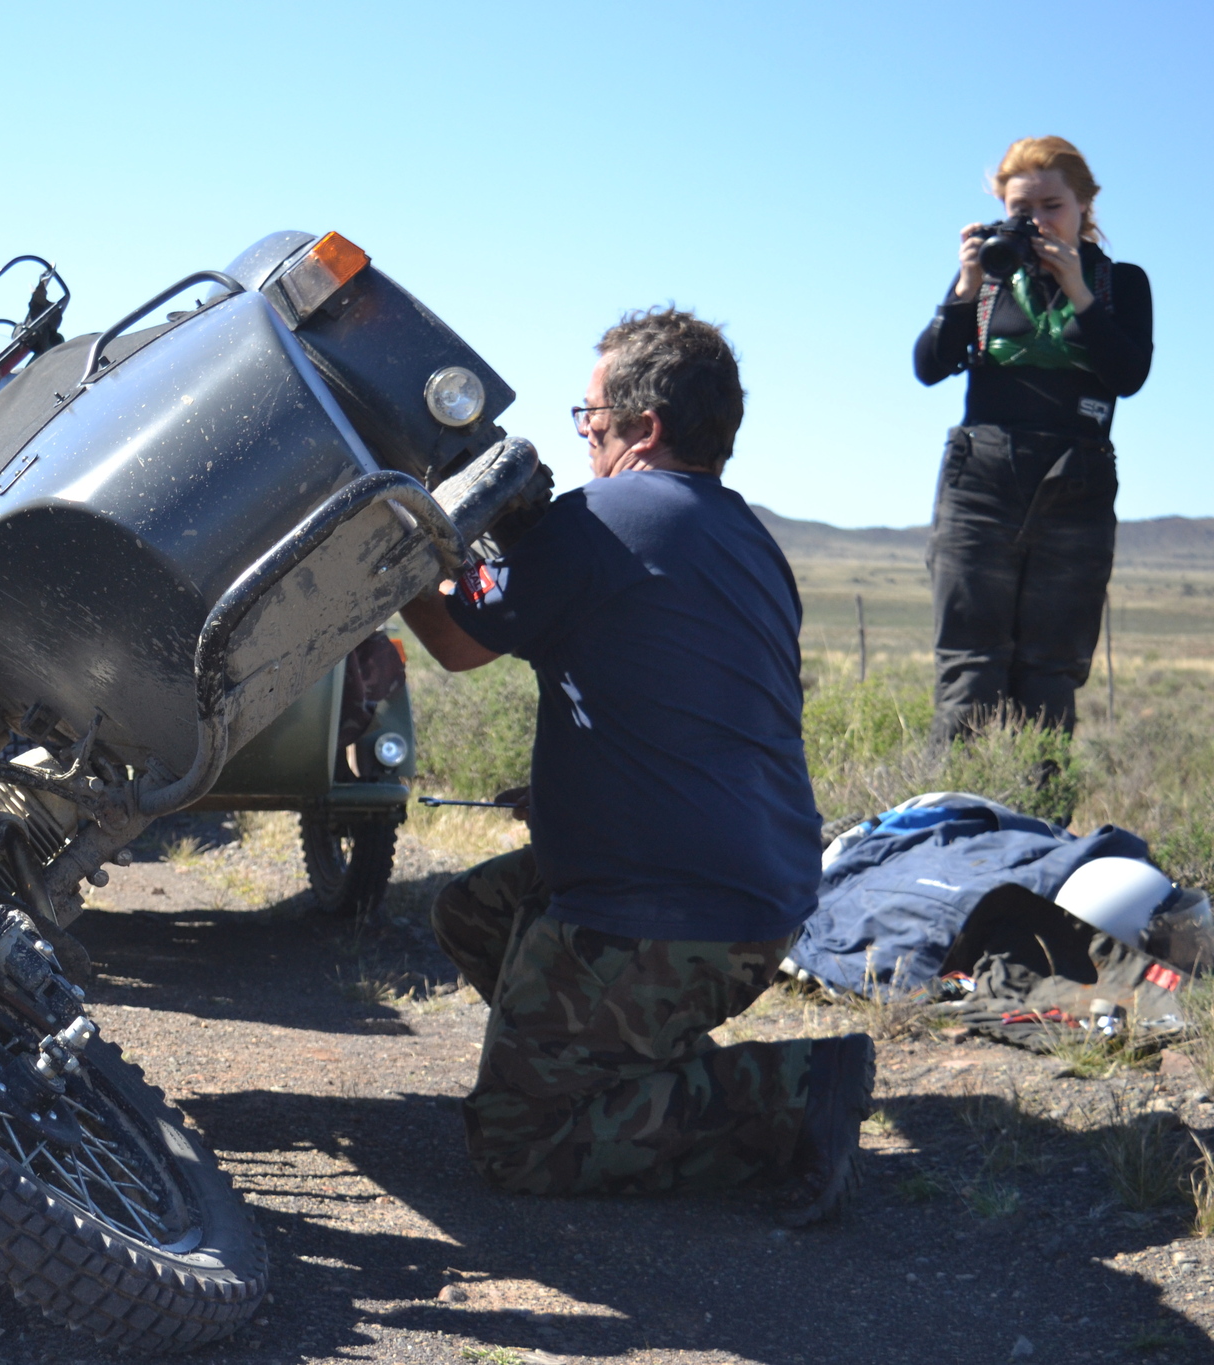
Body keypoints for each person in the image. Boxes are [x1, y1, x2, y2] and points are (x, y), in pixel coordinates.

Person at [399, 308, 874, 1226]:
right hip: (749, 891)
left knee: (515, 1145)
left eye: (591, 419)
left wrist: (392, 556)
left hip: (673, 912)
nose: (583, 438)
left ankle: (792, 1091)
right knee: (476, 909)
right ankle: (614, 1058)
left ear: (642, 429)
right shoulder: (745, 538)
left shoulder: (602, 520)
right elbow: (682, 697)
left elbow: (456, 641)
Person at [914, 136, 1153, 742]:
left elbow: (1128, 376)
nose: (1038, 221)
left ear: (1084, 205)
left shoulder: (1121, 282)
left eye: (1053, 206)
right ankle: (955, 826)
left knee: (1051, 673)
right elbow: (928, 366)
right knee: (971, 667)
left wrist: (1079, 289)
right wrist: (964, 287)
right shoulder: (990, 278)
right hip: (982, 479)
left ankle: (1040, 826)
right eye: (1023, 209)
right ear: (1002, 208)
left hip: (1077, 484)